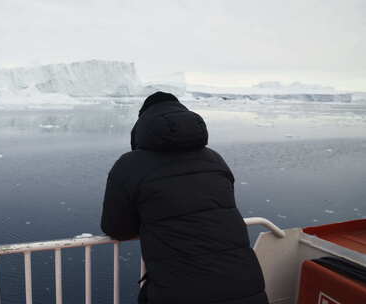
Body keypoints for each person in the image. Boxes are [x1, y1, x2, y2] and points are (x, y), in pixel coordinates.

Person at [100, 92, 268, 304]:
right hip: (247, 287)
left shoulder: (130, 165)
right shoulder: (214, 159)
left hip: (179, 292)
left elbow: (117, 228)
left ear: (142, 125)